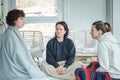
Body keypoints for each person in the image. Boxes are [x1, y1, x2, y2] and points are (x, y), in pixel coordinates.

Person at [0, 9, 57, 80]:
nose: (24, 21)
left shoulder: (10, 33)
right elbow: (18, 55)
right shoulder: (11, 35)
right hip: (13, 72)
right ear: (14, 20)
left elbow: (18, 51)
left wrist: (27, 52)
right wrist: (29, 66)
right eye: (21, 18)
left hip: (8, 70)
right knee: (37, 75)